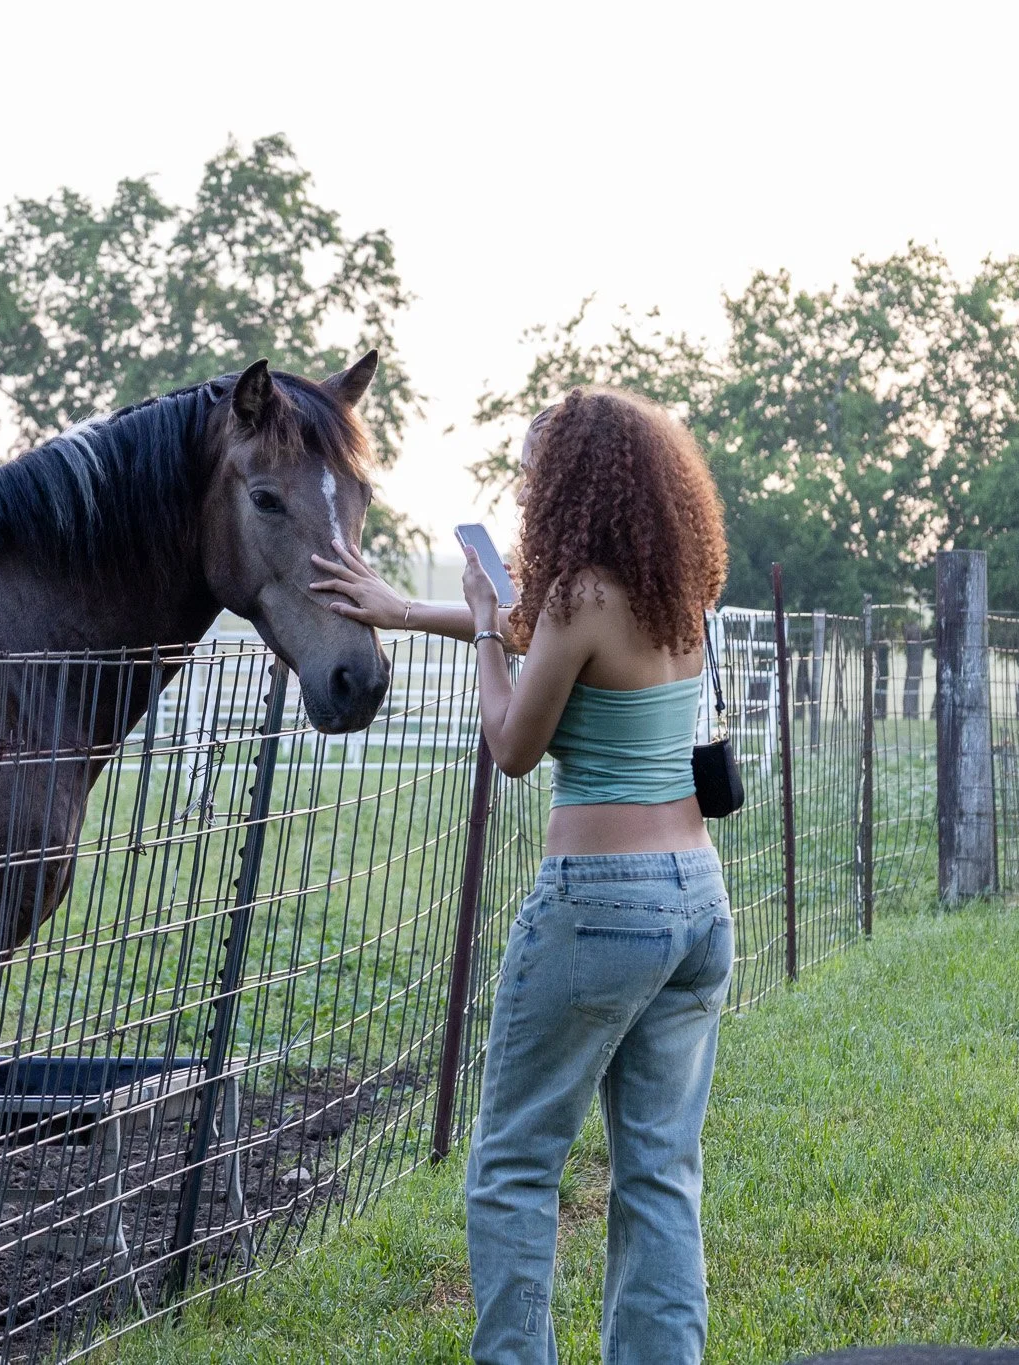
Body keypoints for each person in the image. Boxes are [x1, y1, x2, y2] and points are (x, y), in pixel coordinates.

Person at [310, 386, 732, 1365]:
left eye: (536, 472)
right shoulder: (680, 589)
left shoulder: (579, 595)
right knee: (660, 1173)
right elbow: (542, 638)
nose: (526, 489)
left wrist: (475, 632)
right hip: (696, 903)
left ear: (572, 485)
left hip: (599, 906)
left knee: (510, 1166)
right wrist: (420, 612)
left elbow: (512, 741)